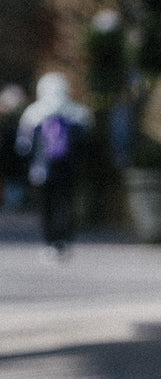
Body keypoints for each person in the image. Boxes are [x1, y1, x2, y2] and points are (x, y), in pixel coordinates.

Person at [15, 73, 92, 254]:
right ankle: (64, 241)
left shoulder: (34, 113)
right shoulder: (78, 113)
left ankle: (51, 241)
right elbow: (87, 144)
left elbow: (23, 147)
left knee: (48, 205)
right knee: (66, 204)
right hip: (69, 169)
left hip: (44, 170)